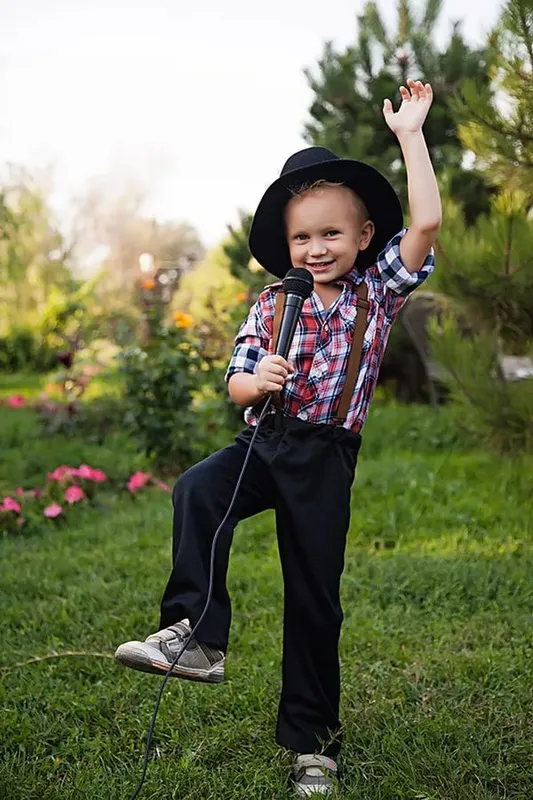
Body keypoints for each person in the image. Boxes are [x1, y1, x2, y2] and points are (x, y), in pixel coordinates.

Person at [115, 78, 441, 796]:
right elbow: (234, 381)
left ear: (361, 237)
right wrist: (255, 378)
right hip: (265, 439)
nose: (317, 248)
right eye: (303, 236)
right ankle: (196, 636)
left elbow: (423, 225)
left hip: (324, 457)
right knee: (199, 489)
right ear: (285, 244)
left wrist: (411, 138)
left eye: (332, 234)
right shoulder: (271, 302)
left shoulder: (375, 291)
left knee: (313, 598)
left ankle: (313, 745)